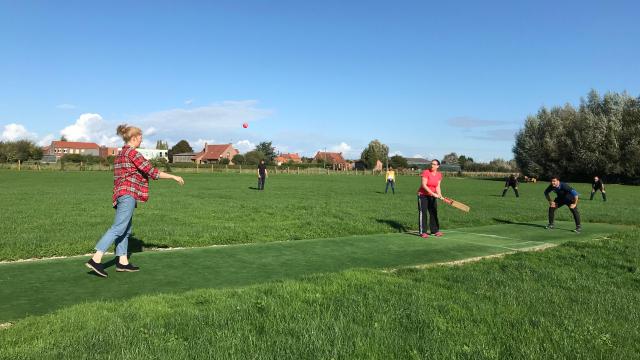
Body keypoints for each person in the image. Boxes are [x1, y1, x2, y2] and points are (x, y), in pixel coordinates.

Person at [85, 125, 184, 278]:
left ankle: (122, 261)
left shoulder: (120, 153)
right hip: (128, 194)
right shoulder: (132, 153)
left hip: (120, 193)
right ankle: (96, 259)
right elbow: (152, 171)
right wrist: (173, 177)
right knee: (118, 227)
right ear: (134, 138)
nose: (141, 141)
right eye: (140, 138)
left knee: (125, 229)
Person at [417, 159, 444, 238]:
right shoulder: (426, 172)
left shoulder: (439, 175)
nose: (432, 165)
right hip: (423, 195)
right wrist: (433, 194)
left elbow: (438, 186)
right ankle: (423, 232)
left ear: (438, 166)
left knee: (433, 212)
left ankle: (434, 230)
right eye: (432, 164)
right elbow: (424, 185)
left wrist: (440, 195)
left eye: (434, 164)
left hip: (432, 196)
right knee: (423, 212)